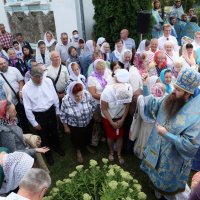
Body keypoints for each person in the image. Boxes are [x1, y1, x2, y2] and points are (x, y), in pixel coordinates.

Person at [140, 68, 200, 200]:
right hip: (156, 149)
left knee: (168, 187)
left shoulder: (195, 116)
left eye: (178, 90)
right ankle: (155, 189)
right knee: (154, 175)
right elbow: (154, 106)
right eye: (175, 87)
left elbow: (190, 145)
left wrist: (166, 134)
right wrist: (145, 88)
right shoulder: (172, 97)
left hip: (172, 159)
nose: (173, 91)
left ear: (187, 94)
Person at [22, 65, 65, 166]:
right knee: (43, 136)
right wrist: (34, 122)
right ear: (31, 77)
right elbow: (27, 108)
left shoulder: (48, 81)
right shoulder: (25, 88)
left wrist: (57, 111)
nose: (40, 79)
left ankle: (57, 147)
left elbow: (54, 96)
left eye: (41, 77)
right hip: (38, 115)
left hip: (50, 111)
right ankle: (48, 154)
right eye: (37, 78)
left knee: (54, 131)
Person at [101, 69, 133, 164]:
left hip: (120, 116)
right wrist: (111, 122)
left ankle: (119, 153)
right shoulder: (106, 92)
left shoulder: (128, 89)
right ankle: (111, 151)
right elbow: (104, 109)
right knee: (110, 136)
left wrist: (122, 119)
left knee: (120, 136)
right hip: (108, 116)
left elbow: (127, 105)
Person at [60, 81, 96, 163]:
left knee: (88, 134)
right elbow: (62, 114)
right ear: (71, 94)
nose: (79, 98)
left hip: (87, 120)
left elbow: (93, 104)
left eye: (81, 95)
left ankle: (87, 145)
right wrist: (65, 126)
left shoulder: (86, 94)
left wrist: (94, 115)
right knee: (76, 138)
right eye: (76, 96)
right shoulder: (66, 100)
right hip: (75, 125)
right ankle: (78, 151)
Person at [0, 57, 29, 133]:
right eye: (1, 64)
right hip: (7, 105)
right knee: (12, 120)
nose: (3, 65)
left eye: (4, 63)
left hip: (18, 99)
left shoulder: (14, 70)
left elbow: (21, 81)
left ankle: (27, 132)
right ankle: (19, 134)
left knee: (23, 117)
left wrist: (20, 91)